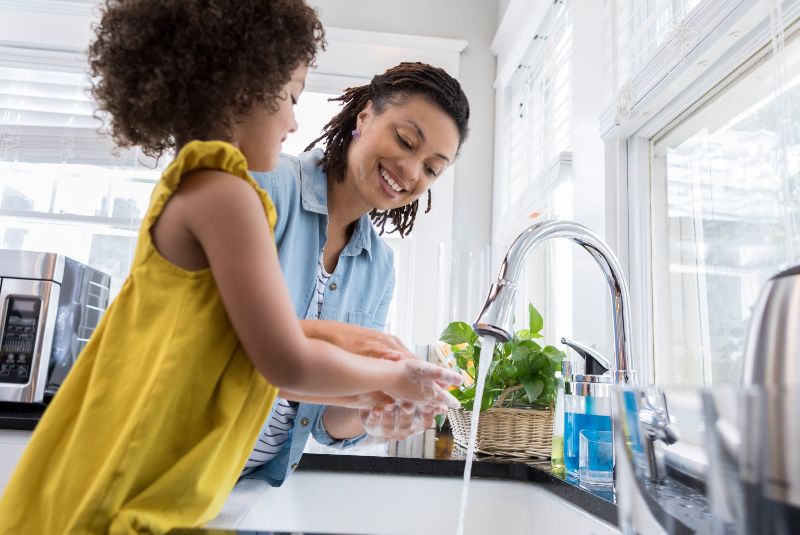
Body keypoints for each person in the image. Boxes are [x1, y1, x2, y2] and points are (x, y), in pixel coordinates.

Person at [0, 3, 460, 534]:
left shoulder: (210, 186)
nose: (293, 120)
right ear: (242, 88)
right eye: (290, 98)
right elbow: (279, 358)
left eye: (432, 168)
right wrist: (395, 377)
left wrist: (376, 399)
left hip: (191, 484)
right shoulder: (237, 193)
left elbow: (235, 342)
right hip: (138, 474)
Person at [239, 62, 470, 486]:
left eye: (433, 169)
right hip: (179, 458)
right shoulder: (267, 187)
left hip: (244, 484)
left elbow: (326, 422)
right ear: (364, 117)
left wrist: (380, 411)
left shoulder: (379, 267)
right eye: (405, 140)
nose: (412, 172)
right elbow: (236, 341)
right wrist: (374, 363)